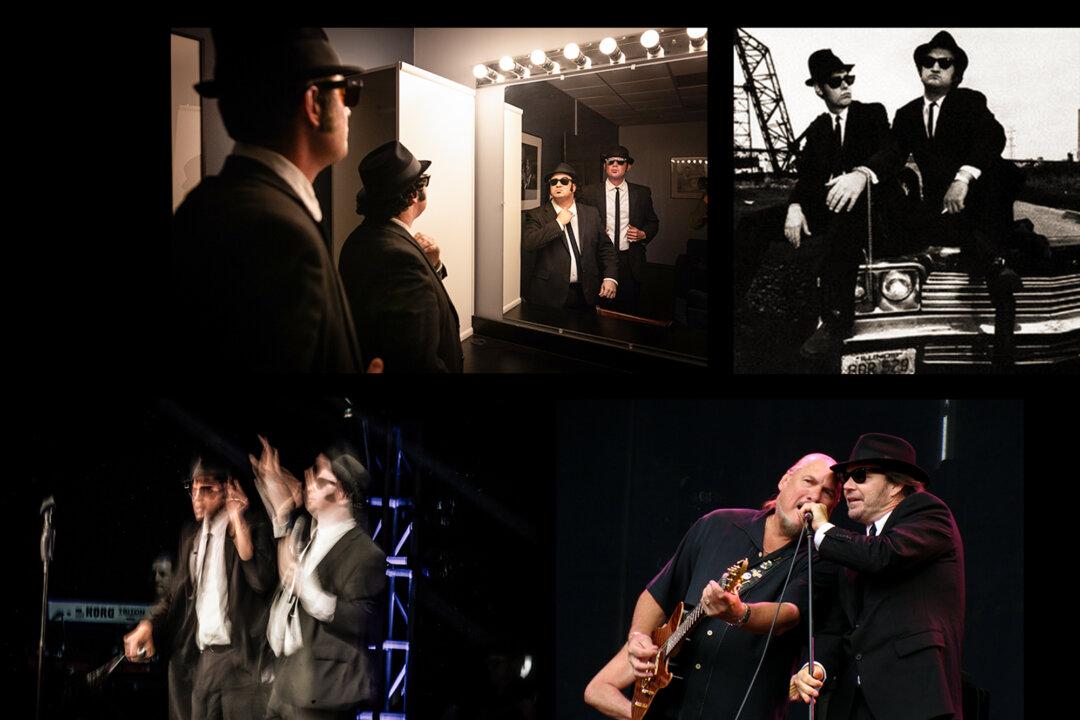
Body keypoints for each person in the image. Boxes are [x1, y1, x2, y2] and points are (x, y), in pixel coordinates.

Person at [171, 28, 377, 373]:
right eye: (345, 94)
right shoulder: (278, 232)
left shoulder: (205, 202)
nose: (350, 111)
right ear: (313, 104)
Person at [584, 453, 841, 720]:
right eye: (808, 481)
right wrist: (637, 636)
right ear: (785, 480)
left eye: (827, 493)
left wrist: (739, 613)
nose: (814, 495)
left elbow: (788, 614)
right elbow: (658, 593)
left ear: (830, 509)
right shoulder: (719, 525)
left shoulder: (821, 560)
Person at [792, 433, 965, 720]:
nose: (846, 486)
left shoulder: (927, 512)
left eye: (860, 476)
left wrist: (823, 529)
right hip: (856, 703)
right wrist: (817, 666)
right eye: (845, 478)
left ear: (896, 483)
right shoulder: (858, 548)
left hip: (913, 699)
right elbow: (838, 627)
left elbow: (885, 556)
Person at [887, 31, 1023, 361]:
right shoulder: (906, 114)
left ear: (955, 73)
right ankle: (1003, 252)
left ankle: (998, 278)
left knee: (999, 172)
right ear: (920, 69)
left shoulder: (969, 102)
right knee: (897, 195)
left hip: (976, 202)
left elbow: (993, 137)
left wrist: (963, 178)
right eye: (927, 62)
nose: (934, 67)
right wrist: (863, 173)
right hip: (937, 209)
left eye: (944, 62)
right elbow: (890, 154)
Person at [123, 455, 277, 720]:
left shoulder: (252, 525)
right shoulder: (191, 536)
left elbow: (261, 581)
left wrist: (237, 520)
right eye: (192, 488)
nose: (197, 496)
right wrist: (148, 623)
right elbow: (175, 593)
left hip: (239, 661)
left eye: (206, 488)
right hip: (204, 660)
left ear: (226, 488)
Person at [250, 438, 386, 720]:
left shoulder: (364, 553)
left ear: (344, 494)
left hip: (321, 691)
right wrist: (282, 515)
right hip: (287, 683)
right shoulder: (311, 533)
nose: (309, 484)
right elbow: (288, 579)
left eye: (321, 481)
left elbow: (364, 619)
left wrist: (310, 591)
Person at [785, 49, 897, 359]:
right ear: (819, 89)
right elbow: (807, 179)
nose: (846, 86)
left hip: (868, 206)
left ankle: (836, 321)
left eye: (850, 78)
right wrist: (794, 207)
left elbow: (890, 151)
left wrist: (861, 174)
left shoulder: (872, 113)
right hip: (826, 205)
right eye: (837, 82)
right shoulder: (819, 128)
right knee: (751, 223)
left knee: (845, 217)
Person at [338, 141, 463, 373]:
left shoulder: (357, 240)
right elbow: (418, 360)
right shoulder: (400, 258)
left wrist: (433, 265)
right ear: (415, 193)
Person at [522, 162, 618, 310]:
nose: (558, 185)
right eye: (553, 182)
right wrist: (558, 223)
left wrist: (610, 278)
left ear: (573, 187)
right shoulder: (536, 214)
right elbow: (529, 242)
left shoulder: (591, 213)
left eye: (564, 181)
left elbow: (606, 249)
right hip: (550, 294)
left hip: (587, 292)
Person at [578, 146, 660, 314]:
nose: (615, 165)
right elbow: (578, 222)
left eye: (620, 162)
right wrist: (594, 232)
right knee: (598, 310)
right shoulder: (588, 192)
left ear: (628, 166)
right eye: (610, 162)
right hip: (599, 260)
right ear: (605, 166)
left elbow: (653, 222)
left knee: (628, 309)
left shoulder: (642, 193)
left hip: (630, 261)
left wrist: (643, 234)